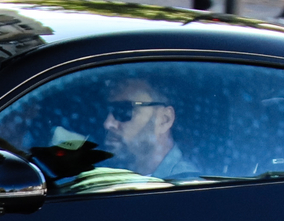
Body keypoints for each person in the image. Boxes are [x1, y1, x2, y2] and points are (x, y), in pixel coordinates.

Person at [31, 72, 203, 195]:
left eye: (124, 111)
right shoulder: (101, 171)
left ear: (164, 120)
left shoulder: (185, 189)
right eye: (108, 110)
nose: (108, 123)